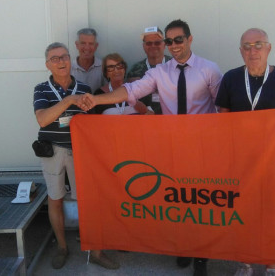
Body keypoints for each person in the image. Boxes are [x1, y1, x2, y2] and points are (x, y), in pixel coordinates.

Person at [79, 19, 223, 276]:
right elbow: (131, 91)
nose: (174, 45)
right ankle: (183, 248)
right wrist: (97, 99)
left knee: (200, 200)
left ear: (190, 39)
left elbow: (222, 109)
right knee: (178, 198)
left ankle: (201, 256)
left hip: (201, 146)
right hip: (171, 146)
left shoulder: (209, 70)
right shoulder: (159, 72)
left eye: (178, 39)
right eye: (170, 41)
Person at [215, 28, 275, 276]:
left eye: (258, 44)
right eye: (246, 46)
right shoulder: (231, 78)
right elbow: (223, 120)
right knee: (242, 211)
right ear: (240, 51)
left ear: (269, 48)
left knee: (272, 214)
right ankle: (245, 262)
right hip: (240, 161)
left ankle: (271, 264)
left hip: (273, 161)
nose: (252, 50)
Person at [33, 42, 119, 270]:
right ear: (47, 65)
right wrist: (69, 101)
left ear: (71, 60)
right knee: (55, 198)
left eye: (64, 57)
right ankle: (62, 247)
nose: (61, 62)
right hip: (52, 151)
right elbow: (42, 119)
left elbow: (93, 124)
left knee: (89, 202)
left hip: (80, 152)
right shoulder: (41, 89)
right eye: (55, 59)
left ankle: (96, 251)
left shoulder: (84, 88)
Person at [126, 26, 172, 114]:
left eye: (157, 42)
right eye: (149, 43)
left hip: (172, 118)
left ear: (164, 44)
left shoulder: (175, 66)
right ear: (144, 46)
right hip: (145, 119)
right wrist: (145, 111)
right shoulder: (135, 70)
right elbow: (132, 97)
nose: (153, 46)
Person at [71, 28, 107, 93]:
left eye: (91, 44)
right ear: (77, 45)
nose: (87, 47)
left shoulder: (103, 66)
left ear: (96, 46)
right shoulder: (69, 68)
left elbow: (109, 91)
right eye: (83, 43)